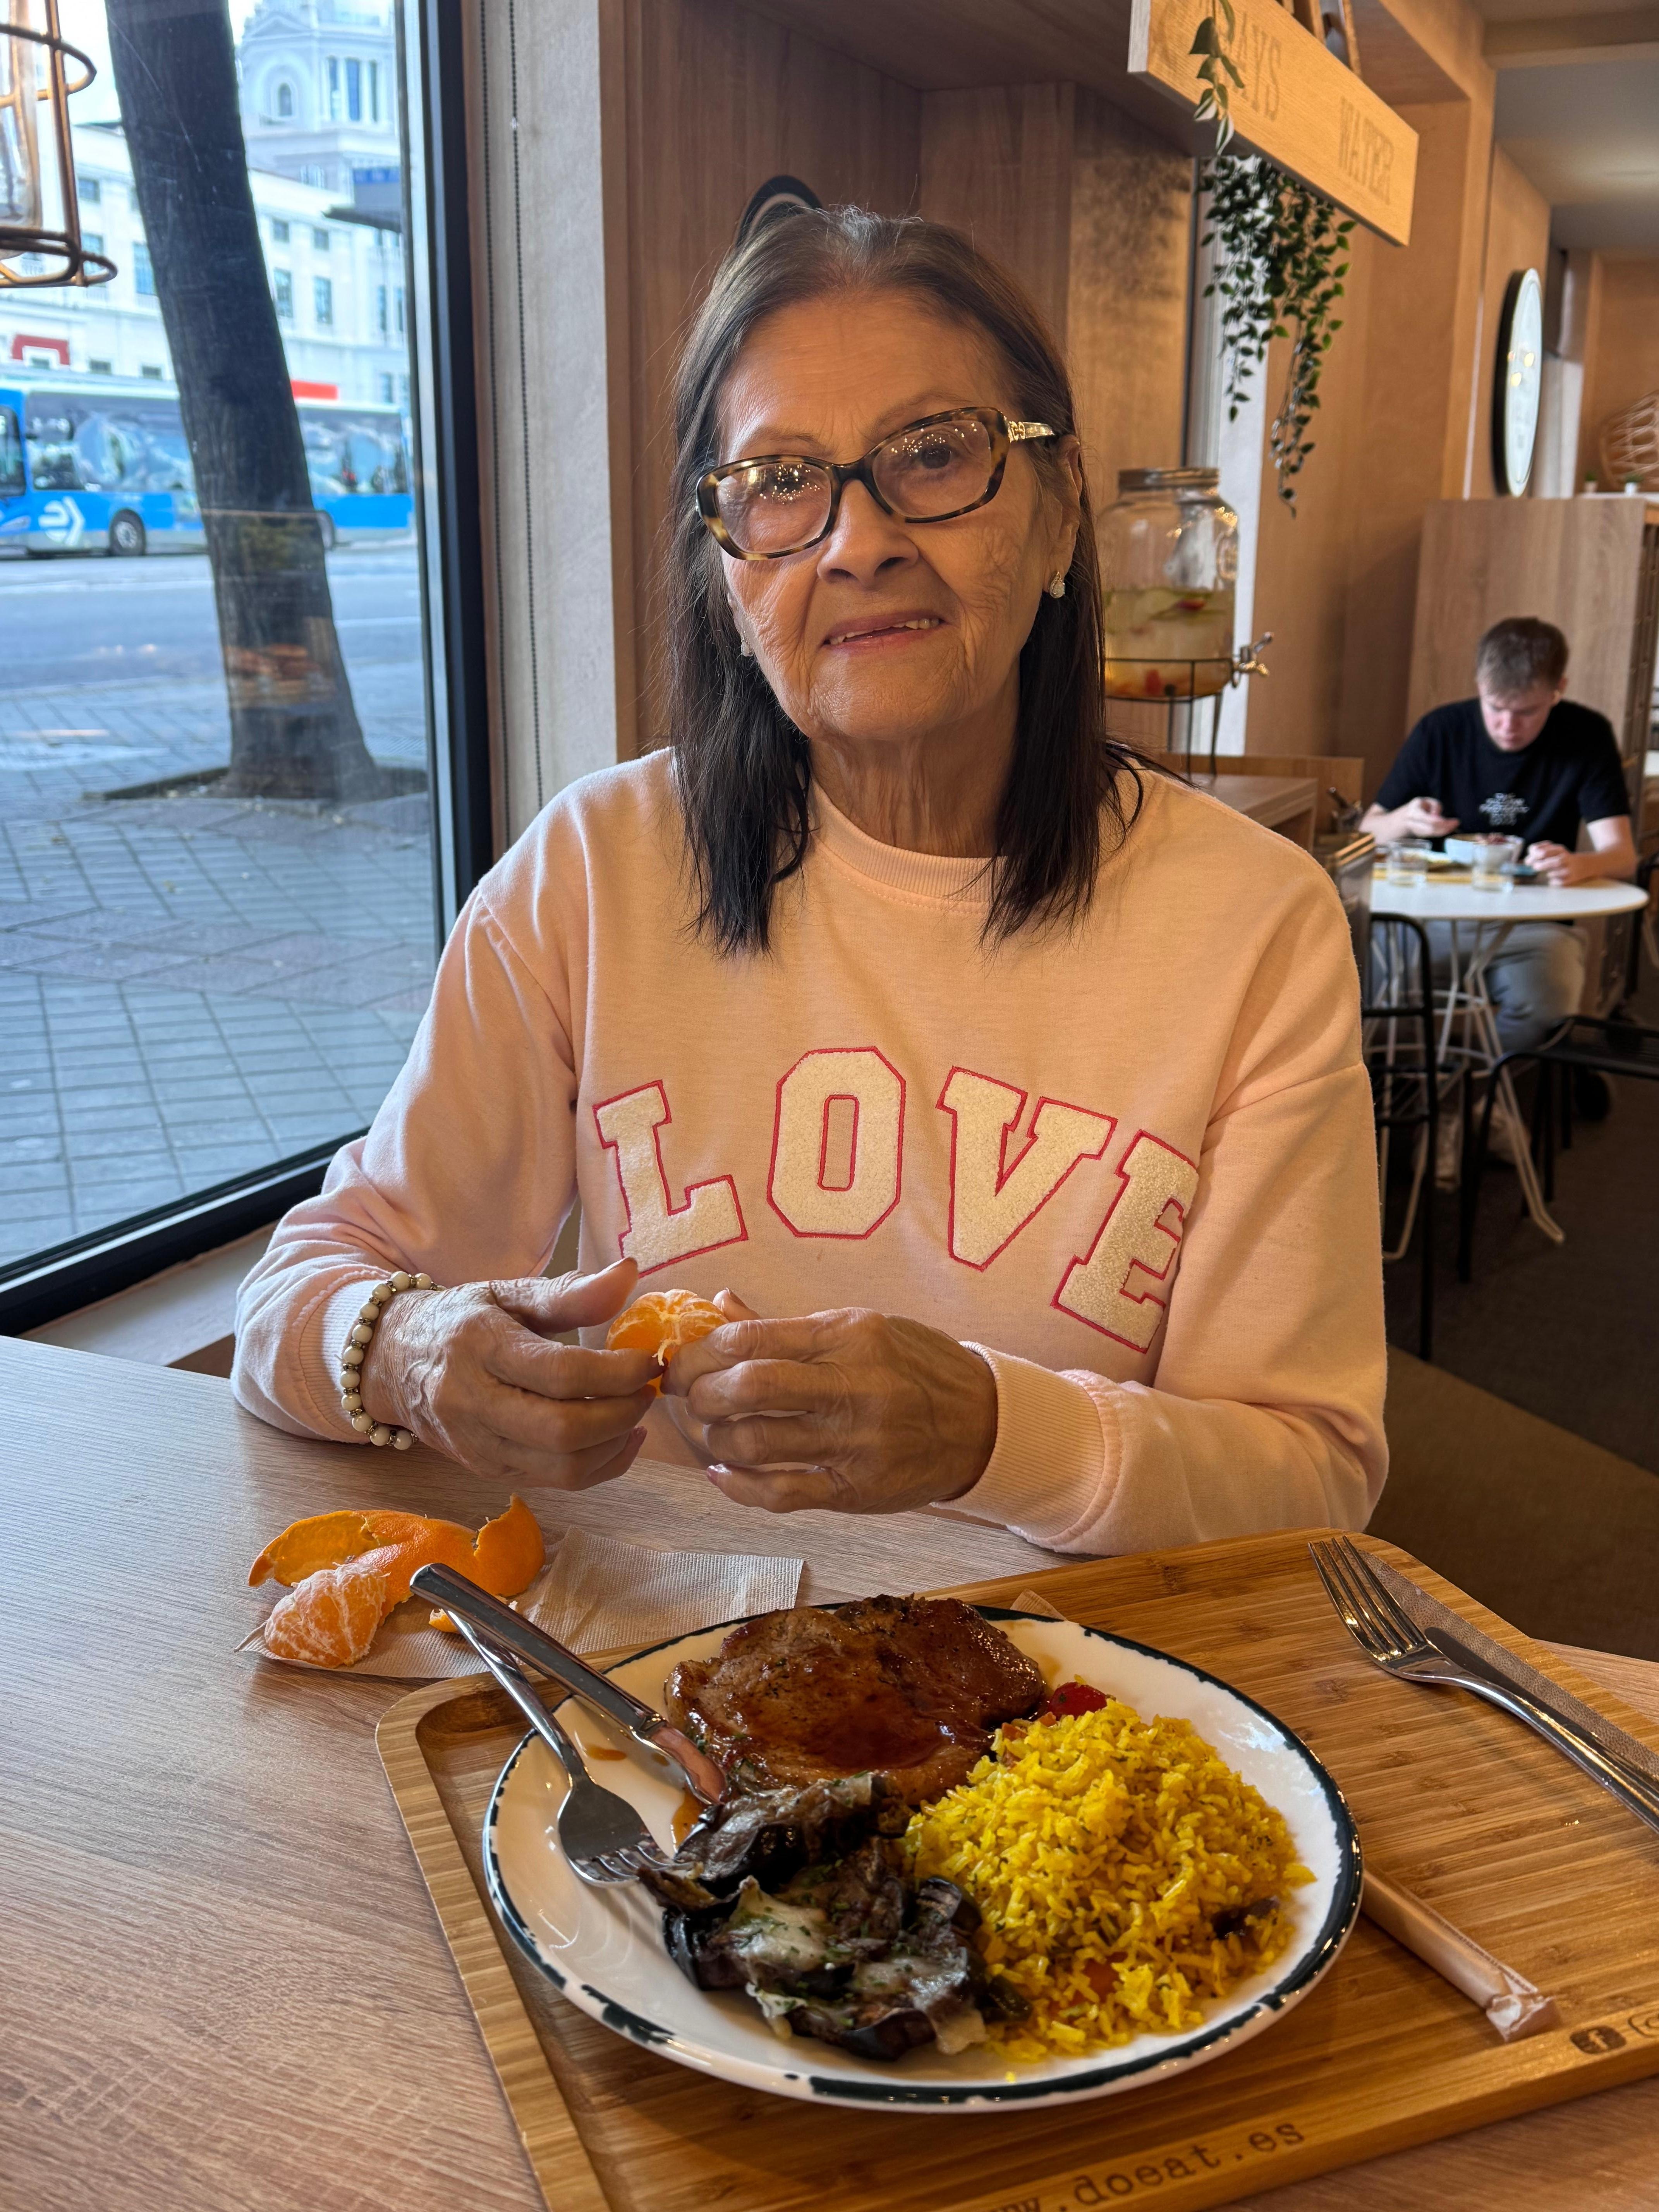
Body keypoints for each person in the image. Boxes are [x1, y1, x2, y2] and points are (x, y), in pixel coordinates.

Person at [233, 208, 1386, 1556]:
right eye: (779, 480)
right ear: (725, 570)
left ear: (1063, 507)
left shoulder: (1249, 923)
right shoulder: (592, 874)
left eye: (935, 454)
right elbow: (297, 1294)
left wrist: (991, 1432)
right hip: (667, 1685)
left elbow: (1309, 1473)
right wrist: (416, 1350)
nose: (856, 541)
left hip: (1082, 1706)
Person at [1362, 617, 1635, 1058]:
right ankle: (1442, 1077)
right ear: (1479, 685)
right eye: (1495, 707)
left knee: (1548, 1011)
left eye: (1527, 712)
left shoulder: (1586, 735)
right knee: (1361, 989)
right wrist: (1405, 820)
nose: (1508, 725)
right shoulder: (1441, 730)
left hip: (1534, 926)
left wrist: (1581, 863)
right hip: (1428, 918)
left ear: (1558, 689)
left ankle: (1466, 1086)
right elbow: (1367, 833)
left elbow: (1622, 856)